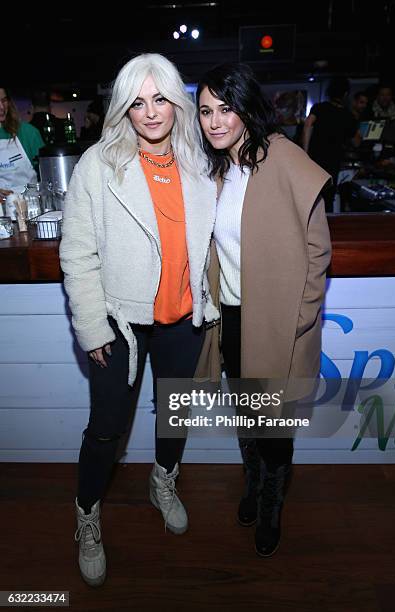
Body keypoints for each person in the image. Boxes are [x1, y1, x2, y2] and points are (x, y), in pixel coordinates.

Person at [59, 53, 219, 587]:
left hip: (183, 320)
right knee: (107, 429)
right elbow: (77, 256)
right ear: (123, 108)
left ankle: (163, 480)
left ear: (177, 102)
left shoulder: (200, 165)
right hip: (119, 322)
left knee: (174, 414)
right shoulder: (96, 166)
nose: (151, 113)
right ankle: (87, 513)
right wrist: (92, 328)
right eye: (137, 101)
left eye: (161, 99)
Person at [196, 63, 332, 557]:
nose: (214, 121)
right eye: (206, 111)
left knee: (273, 426)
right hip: (233, 320)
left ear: (246, 107)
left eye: (225, 109)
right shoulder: (216, 168)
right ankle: (253, 483)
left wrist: (300, 318)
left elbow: (319, 250)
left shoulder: (284, 158)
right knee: (247, 418)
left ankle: (272, 501)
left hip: (277, 324)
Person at [301, 77, 360, 211]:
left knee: (310, 194)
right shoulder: (347, 115)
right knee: (327, 197)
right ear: (345, 94)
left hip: (314, 158)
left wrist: (305, 151)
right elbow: (356, 142)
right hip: (333, 160)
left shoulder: (319, 108)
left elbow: (308, 124)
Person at [0, 87, 44, 204]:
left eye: (4, 101)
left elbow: (46, 175)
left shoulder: (28, 133)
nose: (2, 107)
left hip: (31, 207)